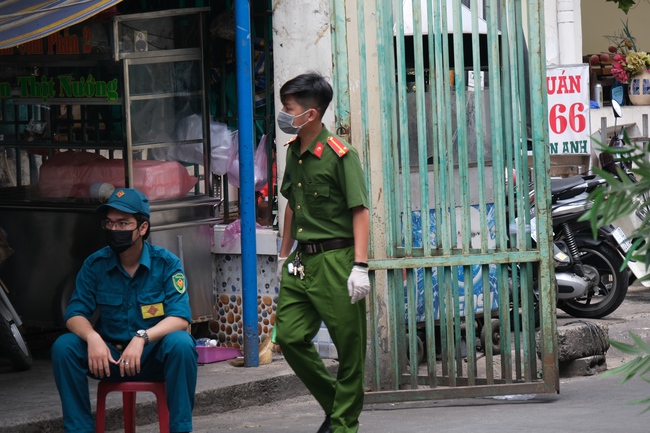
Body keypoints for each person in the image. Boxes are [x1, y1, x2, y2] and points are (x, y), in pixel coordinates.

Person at [51, 188, 197, 433]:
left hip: (151, 357)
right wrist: (92, 338)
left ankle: (180, 429)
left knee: (182, 344)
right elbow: (75, 314)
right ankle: (78, 430)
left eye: (123, 223)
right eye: (109, 223)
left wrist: (142, 338)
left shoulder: (166, 264)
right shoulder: (95, 264)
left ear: (142, 228)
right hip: (107, 358)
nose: (114, 230)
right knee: (64, 346)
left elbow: (180, 317)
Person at [275, 72, 371, 433]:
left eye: (289, 108)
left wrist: (359, 266)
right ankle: (337, 406)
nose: (284, 114)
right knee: (288, 336)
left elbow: (359, 209)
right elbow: (291, 205)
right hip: (302, 261)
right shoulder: (294, 153)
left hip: (337, 260)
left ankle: (343, 425)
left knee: (349, 349)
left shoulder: (340, 155)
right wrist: (283, 256)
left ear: (311, 114)